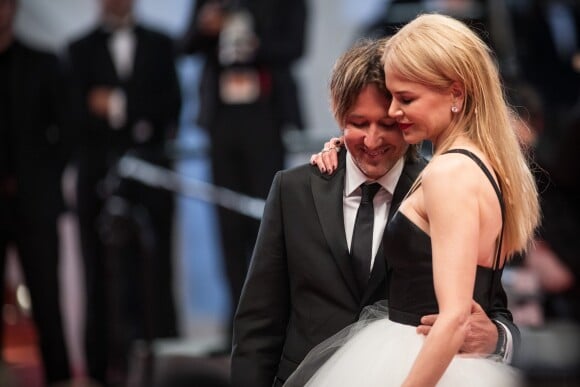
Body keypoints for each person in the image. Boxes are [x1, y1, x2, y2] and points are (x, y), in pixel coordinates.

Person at [231, 35, 520, 387]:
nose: (372, 140)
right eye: (358, 123)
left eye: (387, 124)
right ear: (339, 118)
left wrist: (497, 339)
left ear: (406, 116)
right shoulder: (294, 190)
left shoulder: (441, 185)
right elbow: (258, 323)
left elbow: (490, 302)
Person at [177, 0, 307, 343]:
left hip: (265, 116)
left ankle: (271, 315)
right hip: (222, 120)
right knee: (227, 224)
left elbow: (295, 46)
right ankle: (237, 316)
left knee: (265, 220)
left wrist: (253, 43)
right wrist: (208, 28)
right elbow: (186, 44)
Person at [66, 0, 181, 384]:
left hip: (152, 178)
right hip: (96, 179)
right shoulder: (78, 50)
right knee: (97, 274)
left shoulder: (161, 44)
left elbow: (171, 107)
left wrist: (114, 104)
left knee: (157, 272)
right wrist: (135, 112)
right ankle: (101, 370)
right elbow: (74, 116)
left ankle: (165, 366)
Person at [0, 0, 73, 384]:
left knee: (47, 305)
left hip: (36, 205)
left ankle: (59, 379)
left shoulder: (43, 63)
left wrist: (40, 178)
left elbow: (67, 133)